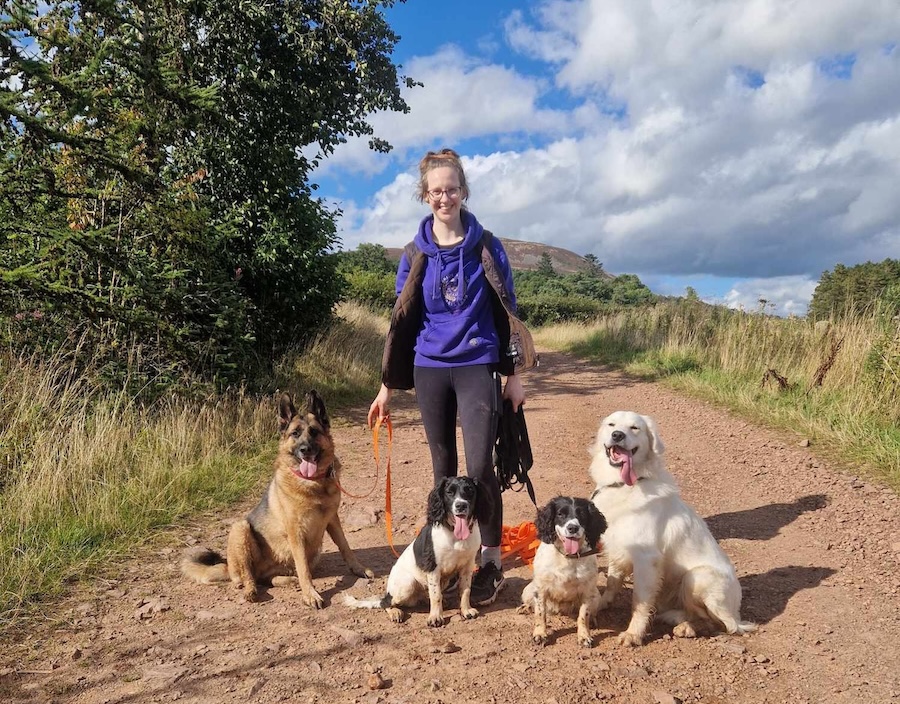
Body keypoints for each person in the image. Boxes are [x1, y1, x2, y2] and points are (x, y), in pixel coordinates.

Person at [368, 148, 526, 607]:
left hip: (477, 363)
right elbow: (402, 320)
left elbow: (508, 308)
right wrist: (386, 388)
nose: (444, 197)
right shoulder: (415, 252)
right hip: (429, 367)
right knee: (443, 472)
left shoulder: (486, 245)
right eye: (436, 190)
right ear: (425, 194)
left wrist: (514, 375)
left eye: (452, 189)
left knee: (478, 469)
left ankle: (490, 561)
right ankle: (445, 557)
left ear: (463, 191)